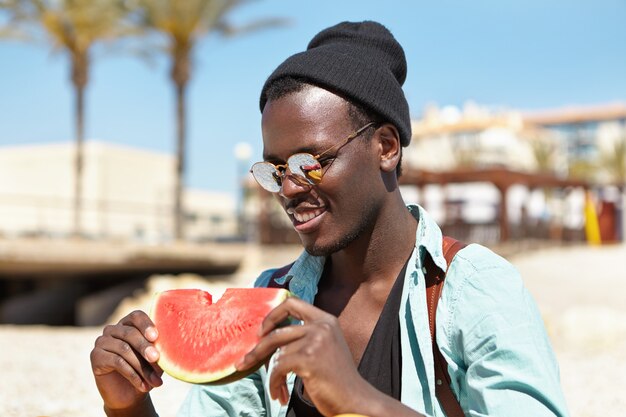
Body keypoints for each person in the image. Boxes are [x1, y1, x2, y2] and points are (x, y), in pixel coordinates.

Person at [90, 21, 570, 417]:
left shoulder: (473, 291)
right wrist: (129, 407)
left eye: (310, 163)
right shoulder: (271, 296)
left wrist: (361, 400)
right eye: (275, 170)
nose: (291, 188)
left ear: (385, 147)